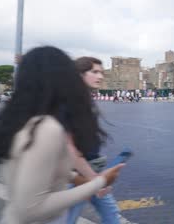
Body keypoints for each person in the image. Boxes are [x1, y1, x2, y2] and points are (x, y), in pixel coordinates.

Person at [0, 46, 123, 223]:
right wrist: (99, 181)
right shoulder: (45, 127)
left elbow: (43, 166)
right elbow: (31, 209)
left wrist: (80, 180)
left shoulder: (18, 121)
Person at [67, 56, 123, 224]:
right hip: (76, 175)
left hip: (91, 169)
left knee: (111, 214)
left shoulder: (84, 100)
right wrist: (94, 179)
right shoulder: (72, 103)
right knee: (67, 218)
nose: (100, 76)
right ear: (79, 74)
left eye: (102, 72)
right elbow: (70, 147)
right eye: (95, 72)